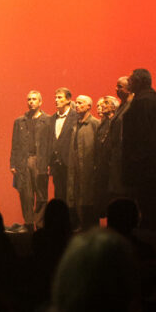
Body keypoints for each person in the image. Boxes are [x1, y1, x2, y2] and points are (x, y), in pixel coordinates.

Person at [121, 68, 156, 231]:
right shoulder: (146, 99)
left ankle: (152, 239)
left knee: (149, 206)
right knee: (149, 205)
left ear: (140, 81)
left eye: (131, 80)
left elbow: (142, 134)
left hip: (145, 166)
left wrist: (135, 159)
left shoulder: (144, 101)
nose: (129, 83)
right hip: (148, 164)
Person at [9, 90, 51, 231]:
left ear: (40, 102)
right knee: (25, 194)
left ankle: (40, 224)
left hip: (40, 160)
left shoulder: (48, 121)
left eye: (34, 99)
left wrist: (48, 163)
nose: (31, 102)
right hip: (24, 160)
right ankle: (28, 223)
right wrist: (13, 164)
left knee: (41, 194)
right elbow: (15, 144)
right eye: (29, 99)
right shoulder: (19, 121)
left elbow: (50, 143)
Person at [66, 95, 100, 230]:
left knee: (88, 197)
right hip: (75, 167)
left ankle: (89, 227)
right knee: (75, 195)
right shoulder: (75, 124)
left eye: (80, 103)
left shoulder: (95, 124)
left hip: (89, 167)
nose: (77, 105)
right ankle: (79, 224)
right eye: (76, 103)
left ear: (88, 106)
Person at [48, 87, 78, 203]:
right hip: (56, 164)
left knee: (71, 195)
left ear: (68, 100)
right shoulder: (52, 118)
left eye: (60, 97)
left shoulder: (75, 117)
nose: (56, 100)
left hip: (69, 163)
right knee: (58, 194)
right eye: (55, 97)